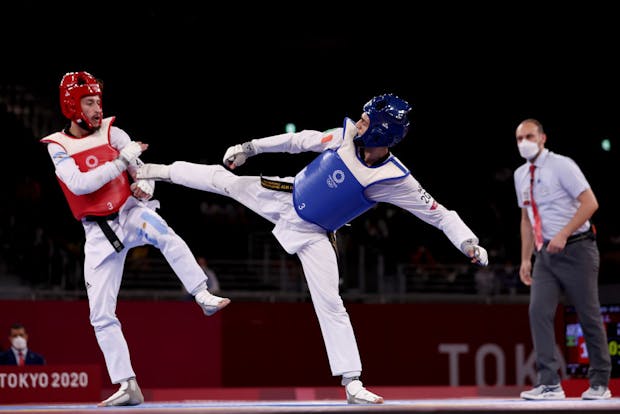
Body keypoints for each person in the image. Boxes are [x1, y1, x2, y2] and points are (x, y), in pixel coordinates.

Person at [137, 93, 489, 404]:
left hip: (316, 234)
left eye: (368, 119)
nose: (360, 121)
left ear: (383, 131)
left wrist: (467, 240)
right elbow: (298, 140)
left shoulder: (395, 179)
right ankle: (155, 171)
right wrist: (251, 147)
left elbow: (439, 213)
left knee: (331, 302)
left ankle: (353, 382)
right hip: (284, 195)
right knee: (223, 180)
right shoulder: (345, 136)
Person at [40, 71, 230, 407]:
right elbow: (81, 185)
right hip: (97, 234)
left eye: (98, 100)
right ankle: (127, 384)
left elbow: (142, 172)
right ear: (72, 105)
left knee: (164, 233)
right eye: (88, 101)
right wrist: (121, 161)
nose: (96, 107)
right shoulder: (59, 147)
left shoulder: (115, 132)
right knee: (100, 315)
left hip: (130, 213)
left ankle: (201, 294)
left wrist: (145, 186)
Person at [513, 118, 612, 400]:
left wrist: (564, 234)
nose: (524, 143)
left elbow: (591, 202)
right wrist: (525, 258)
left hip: (578, 249)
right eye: (519, 139)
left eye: (529, 136)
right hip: (544, 255)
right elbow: (525, 218)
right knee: (538, 312)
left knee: (588, 314)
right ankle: (549, 384)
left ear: (543, 138)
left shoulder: (562, 165)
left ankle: (599, 384)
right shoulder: (520, 174)